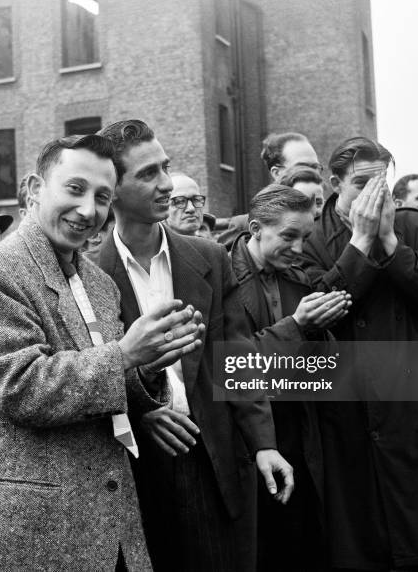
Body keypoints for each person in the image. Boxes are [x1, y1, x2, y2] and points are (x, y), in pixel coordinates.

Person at [0, 134, 204, 571]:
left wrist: (148, 366)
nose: (89, 210)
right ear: (33, 189)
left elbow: (111, 389)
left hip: (112, 526)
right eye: (74, 189)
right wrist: (125, 355)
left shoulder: (99, 283)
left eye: (102, 197)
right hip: (35, 531)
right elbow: (20, 386)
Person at [93, 119, 293, 572]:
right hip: (138, 470)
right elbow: (92, 369)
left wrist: (263, 444)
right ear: (113, 188)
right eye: (148, 174)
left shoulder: (208, 257)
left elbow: (236, 357)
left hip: (215, 458)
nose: (165, 184)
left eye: (165, 167)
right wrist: (141, 415)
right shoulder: (89, 275)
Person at [299, 136, 418, 571]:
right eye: (361, 186)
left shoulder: (410, 227)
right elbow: (319, 314)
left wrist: (391, 244)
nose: (375, 199)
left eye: (383, 188)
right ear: (335, 184)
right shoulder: (313, 237)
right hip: (351, 421)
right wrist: (359, 243)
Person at [230, 183, 351, 570]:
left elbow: (326, 369)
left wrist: (322, 331)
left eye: (304, 237)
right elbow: (228, 367)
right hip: (246, 443)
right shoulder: (217, 278)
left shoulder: (301, 281)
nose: (299, 249)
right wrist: (297, 326)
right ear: (254, 229)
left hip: (300, 436)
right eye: (288, 236)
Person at [218, 131, 320, 249]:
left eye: (316, 167)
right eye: (302, 166)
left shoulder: (330, 220)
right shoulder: (244, 226)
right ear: (277, 173)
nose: (313, 173)